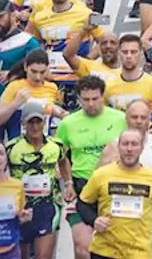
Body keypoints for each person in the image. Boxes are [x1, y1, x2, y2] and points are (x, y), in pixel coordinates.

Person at [76, 128, 152, 259]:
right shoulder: (101, 175)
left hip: (139, 251)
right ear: (118, 147)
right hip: (105, 250)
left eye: (134, 144)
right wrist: (94, 220)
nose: (129, 149)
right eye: (125, 144)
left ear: (141, 149)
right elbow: (83, 203)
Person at [60, 75, 129, 257]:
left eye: (95, 99)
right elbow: (60, 156)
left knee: (114, 246)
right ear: (78, 99)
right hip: (82, 184)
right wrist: (68, 182)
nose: (91, 104)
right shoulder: (68, 123)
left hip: (112, 186)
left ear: (103, 96)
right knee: (84, 248)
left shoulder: (121, 119)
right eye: (86, 100)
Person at [10, 101, 70, 259]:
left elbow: (64, 161)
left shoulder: (56, 145)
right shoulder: (11, 147)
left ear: (44, 122)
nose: (35, 127)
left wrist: (68, 183)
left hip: (48, 205)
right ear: (23, 123)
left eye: (38, 122)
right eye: (31, 122)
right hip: (21, 207)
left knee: (43, 256)